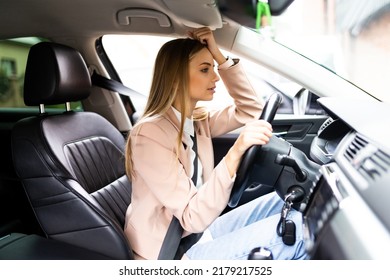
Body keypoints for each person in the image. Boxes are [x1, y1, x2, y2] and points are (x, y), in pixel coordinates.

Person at [124, 27, 306, 260]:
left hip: (199, 234)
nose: (216, 76)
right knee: (298, 233)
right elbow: (192, 216)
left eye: (213, 68)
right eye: (204, 69)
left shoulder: (198, 121)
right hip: (171, 251)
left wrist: (219, 56)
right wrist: (236, 152)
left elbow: (251, 110)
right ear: (176, 76)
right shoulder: (149, 134)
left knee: (289, 199)